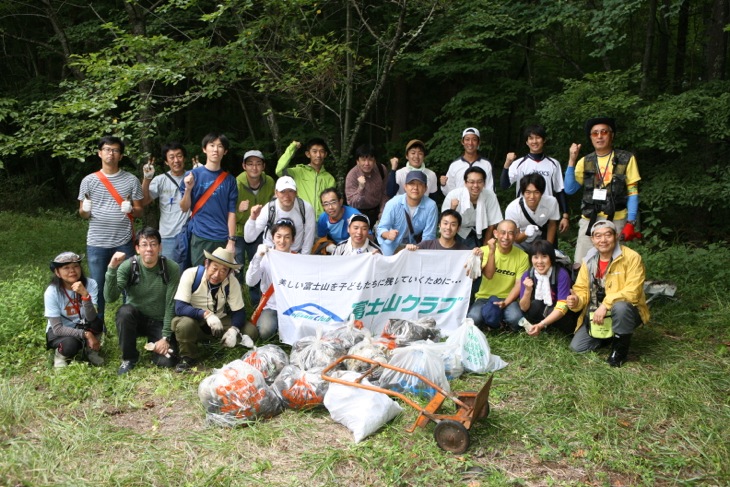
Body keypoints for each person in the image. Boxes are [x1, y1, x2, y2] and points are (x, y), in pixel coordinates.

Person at [566, 220, 650, 367]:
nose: (603, 240)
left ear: (616, 236)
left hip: (626, 311)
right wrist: (576, 300)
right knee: (577, 347)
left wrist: (605, 305)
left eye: (607, 235)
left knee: (621, 307)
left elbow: (633, 291)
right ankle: (608, 335)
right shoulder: (588, 261)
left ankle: (619, 352)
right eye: (598, 236)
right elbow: (581, 289)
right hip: (596, 314)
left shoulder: (631, 257)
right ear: (592, 239)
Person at [78, 136, 143, 321]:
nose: (111, 153)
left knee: (127, 284)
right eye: (107, 149)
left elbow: (139, 211)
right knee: (97, 286)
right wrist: (85, 210)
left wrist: (131, 208)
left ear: (120, 155)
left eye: (115, 150)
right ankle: (97, 326)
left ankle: (128, 323)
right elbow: (82, 213)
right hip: (97, 243)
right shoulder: (88, 181)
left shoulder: (131, 180)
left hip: (123, 242)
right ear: (100, 153)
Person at [564, 117, 642, 265]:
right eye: (595, 133)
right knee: (581, 265)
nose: (599, 136)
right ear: (591, 137)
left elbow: (633, 192)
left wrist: (631, 222)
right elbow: (569, 189)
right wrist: (572, 160)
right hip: (589, 220)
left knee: (615, 265)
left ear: (611, 135)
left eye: (604, 132)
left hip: (616, 219)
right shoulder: (585, 161)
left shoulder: (626, 158)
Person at [104, 228, 181, 375]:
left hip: (158, 320)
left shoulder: (171, 268)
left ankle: (155, 344)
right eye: (144, 244)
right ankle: (129, 357)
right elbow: (110, 297)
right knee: (124, 312)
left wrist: (165, 337)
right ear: (137, 249)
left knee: (167, 361)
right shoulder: (128, 266)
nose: (149, 249)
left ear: (160, 247)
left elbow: (171, 303)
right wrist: (111, 268)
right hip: (136, 319)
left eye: (153, 244)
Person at [172, 247, 258, 372]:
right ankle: (188, 357)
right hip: (195, 320)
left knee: (251, 331)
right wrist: (205, 314)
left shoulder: (231, 282)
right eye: (214, 268)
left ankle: (224, 343)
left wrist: (234, 330)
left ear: (229, 273)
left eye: (223, 271)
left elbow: (239, 312)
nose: (217, 275)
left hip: (220, 319)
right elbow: (179, 307)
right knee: (185, 325)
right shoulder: (191, 274)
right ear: (206, 264)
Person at [179, 133, 238, 267]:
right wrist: (188, 189)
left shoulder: (230, 181)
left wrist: (231, 241)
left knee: (221, 277)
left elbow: (232, 213)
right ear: (204, 149)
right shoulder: (192, 175)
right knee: (199, 276)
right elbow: (184, 207)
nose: (215, 150)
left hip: (222, 237)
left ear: (225, 151)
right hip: (200, 235)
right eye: (212, 145)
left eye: (220, 146)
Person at [501, 125, 570, 233]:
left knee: (547, 249)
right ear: (527, 142)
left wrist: (565, 215)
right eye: (531, 138)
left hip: (547, 215)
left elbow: (560, 190)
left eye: (538, 137)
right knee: (522, 248)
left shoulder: (554, 164)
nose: (534, 141)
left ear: (544, 140)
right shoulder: (518, 164)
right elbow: (504, 185)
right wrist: (506, 165)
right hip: (523, 215)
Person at [466, 220, 529, 330]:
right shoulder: (483, 250)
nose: (506, 237)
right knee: (473, 320)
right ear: (496, 233)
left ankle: (495, 321)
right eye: (503, 232)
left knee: (515, 320)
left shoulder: (523, 256)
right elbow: (489, 275)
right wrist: (491, 252)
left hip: (508, 298)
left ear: (515, 235)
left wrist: (505, 302)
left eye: (510, 233)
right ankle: (495, 321)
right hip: (484, 297)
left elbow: (518, 284)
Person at [44, 252, 104, 368]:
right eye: (66, 268)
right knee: (70, 344)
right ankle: (60, 355)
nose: (72, 271)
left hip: (83, 324)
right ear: (57, 272)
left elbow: (91, 317)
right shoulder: (51, 292)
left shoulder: (90, 283)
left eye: (76, 266)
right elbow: (57, 329)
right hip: (61, 332)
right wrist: (86, 334)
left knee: (97, 322)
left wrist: (85, 296)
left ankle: (91, 351)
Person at [235, 149, 276, 304]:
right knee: (237, 268)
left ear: (263, 166)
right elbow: (229, 213)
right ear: (244, 166)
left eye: (258, 164)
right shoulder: (236, 183)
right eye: (250, 164)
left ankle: (257, 304)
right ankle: (236, 303)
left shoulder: (270, 182)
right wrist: (240, 211)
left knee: (258, 264)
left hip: (259, 231)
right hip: (239, 231)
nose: (254, 167)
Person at [245, 219, 296, 341]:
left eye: (287, 237)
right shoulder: (265, 257)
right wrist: (257, 257)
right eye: (278, 236)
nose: (282, 241)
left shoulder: (297, 259)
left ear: (293, 240)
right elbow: (250, 282)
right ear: (273, 238)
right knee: (265, 332)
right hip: (271, 306)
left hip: (292, 307)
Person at [140, 142, 190, 268]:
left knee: (191, 273)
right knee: (170, 274)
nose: (176, 160)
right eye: (172, 157)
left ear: (184, 158)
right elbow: (144, 201)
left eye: (179, 156)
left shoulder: (193, 176)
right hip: (168, 236)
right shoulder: (160, 180)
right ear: (166, 162)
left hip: (191, 234)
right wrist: (147, 178)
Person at [516, 240, 576, 335]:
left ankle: (547, 325)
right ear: (531, 259)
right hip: (543, 307)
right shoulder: (528, 274)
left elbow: (562, 308)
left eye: (544, 257)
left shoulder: (561, 274)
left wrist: (541, 325)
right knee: (534, 307)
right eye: (535, 257)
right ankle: (547, 325)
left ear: (551, 258)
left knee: (566, 324)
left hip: (560, 311)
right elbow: (523, 307)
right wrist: (528, 290)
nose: (539, 262)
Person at [244, 176, 315, 254]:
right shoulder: (268, 209)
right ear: (276, 193)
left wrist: (303, 258)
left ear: (296, 192)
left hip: (295, 254)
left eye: (290, 191)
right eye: (283, 191)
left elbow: (309, 237)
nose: (287, 196)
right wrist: (252, 218)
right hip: (272, 253)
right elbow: (249, 238)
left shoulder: (305, 208)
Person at [377, 171, 438, 256]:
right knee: (389, 266)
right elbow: (381, 228)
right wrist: (388, 234)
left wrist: (418, 249)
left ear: (425, 188)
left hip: (415, 244)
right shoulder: (393, 203)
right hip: (392, 243)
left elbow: (429, 236)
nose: (415, 187)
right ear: (405, 187)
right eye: (411, 184)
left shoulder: (431, 206)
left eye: (420, 184)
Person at [441, 166, 502, 248]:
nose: (476, 185)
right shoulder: (454, 195)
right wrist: (453, 209)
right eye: (472, 182)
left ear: (484, 183)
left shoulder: (490, 195)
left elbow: (492, 224)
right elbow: (445, 223)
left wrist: (485, 247)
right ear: (465, 183)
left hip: (481, 230)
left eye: (479, 182)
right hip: (458, 231)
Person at [275, 138, 336, 217]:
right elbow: (279, 170)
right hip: (300, 218)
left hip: (322, 221)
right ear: (308, 154)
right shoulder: (298, 172)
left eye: (321, 151)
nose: (318, 155)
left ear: (325, 154)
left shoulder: (329, 178)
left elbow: (331, 201)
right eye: (314, 151)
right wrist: (292, 147)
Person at [504, 173, 560, 253]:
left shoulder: (551, 202)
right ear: (523, 193)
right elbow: (514, 238)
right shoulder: (513, 208)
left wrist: (548, 248)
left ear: (542, 192)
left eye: (536, 192)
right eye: (528, 192)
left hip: (539, 238)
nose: (532, 197)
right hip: (518, 241)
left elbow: (552, 224)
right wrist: (526, 233)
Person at [440, 127, 494, 195]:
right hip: (460, 204)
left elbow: (490, 190)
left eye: (474, 140)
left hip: (481, 204)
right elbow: (449, 193)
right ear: (462, 142)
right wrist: (444, 185)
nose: (470, 143)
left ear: (478, 142)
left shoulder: (486, 164)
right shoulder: (454, 165)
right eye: (467, 139)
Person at [344, 144, 388, 226]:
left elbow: (384, 192)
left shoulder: (381, 169)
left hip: (378, 211)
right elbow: (351, 202)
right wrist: (361, 188)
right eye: (363, 160)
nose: (367, 163)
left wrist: (383, 211)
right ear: (357, 161)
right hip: (358, 213)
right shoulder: (352, 176)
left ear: (375, 161)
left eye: (370, 159)